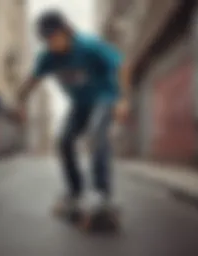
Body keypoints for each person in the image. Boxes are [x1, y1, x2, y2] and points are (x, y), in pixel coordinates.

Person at [17, 10, 130, 213]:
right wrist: (21, 102)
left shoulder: (88, 46)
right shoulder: (47, 58)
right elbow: (31, 81)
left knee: (96, 133)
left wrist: (122, 99)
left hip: (104, 98)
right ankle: (75, 191)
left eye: (55, 37)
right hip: (79, 105)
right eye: (47, 40)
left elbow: (120, 65)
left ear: (66, 31)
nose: (52, 44)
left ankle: (101, 193)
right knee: (63, 140)